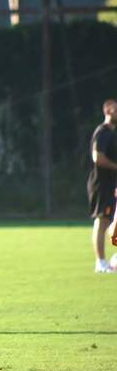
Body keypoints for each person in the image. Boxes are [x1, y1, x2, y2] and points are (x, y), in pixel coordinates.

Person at [87, 98, 117, 273]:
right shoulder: (103, 132)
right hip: (101, 184)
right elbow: (97, 157)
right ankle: (101, 263)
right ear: (108, 111)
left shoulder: (112, 134)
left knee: (110, 222)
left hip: (111, 185)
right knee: (102, 220)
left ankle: (109, 260)